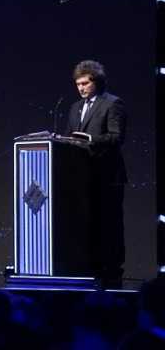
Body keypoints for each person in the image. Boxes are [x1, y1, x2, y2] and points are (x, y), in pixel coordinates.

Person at [66, 60, 126, 282]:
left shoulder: (112, 104)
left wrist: (91, 140)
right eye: (78, 84)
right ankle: (89, 266)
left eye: (85, 83)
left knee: (108, 223)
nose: (81, 88)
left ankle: (112, 270)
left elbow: (116, 137)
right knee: (87, 223)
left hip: (107, 175)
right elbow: (69, 137)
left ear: (97, 82)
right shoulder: (75, 108)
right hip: (83, 177)